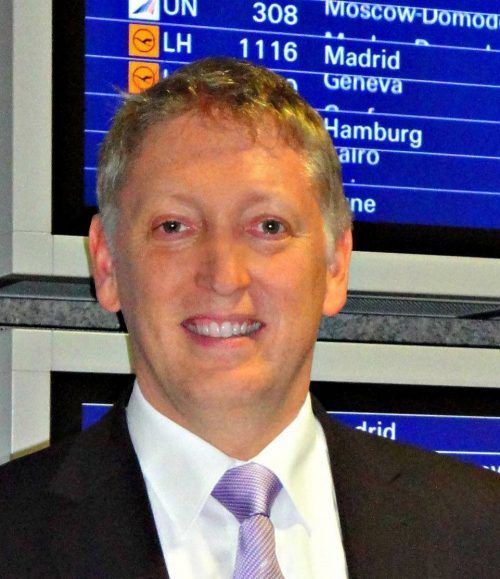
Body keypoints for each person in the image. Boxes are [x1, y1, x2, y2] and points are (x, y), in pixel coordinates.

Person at [0, 57, 498, 578]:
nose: (224, 275)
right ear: (107, 265)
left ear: (335, 265)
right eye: (174, 227)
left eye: (268, 226)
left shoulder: (484, 535)